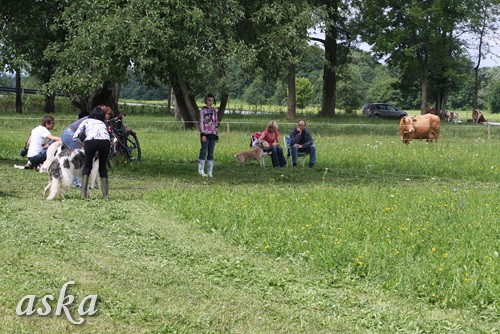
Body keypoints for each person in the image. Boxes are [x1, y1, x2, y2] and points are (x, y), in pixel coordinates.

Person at [73, 106, 112, 199]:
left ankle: (84, 194)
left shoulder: (86, 121)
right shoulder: (103, 123)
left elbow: (75, 137)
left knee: (87, 167)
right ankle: (105, 196)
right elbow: (108, 134)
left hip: (91, 141)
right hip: (106, 142)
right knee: (102, 168)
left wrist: (83, 145)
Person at [198, 93, 219, 177]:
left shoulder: (214, 111)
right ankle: (201, 170)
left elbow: (215, 123)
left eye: (212, 100)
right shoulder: (203, 110)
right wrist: (203, 134)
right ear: (206, 101)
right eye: (209, 100)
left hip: (213, 134)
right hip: (205, 134)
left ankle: (210, 172)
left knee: (211, 152)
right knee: (203, 151)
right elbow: (201, 123)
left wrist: (217, 134)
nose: (211, 102)